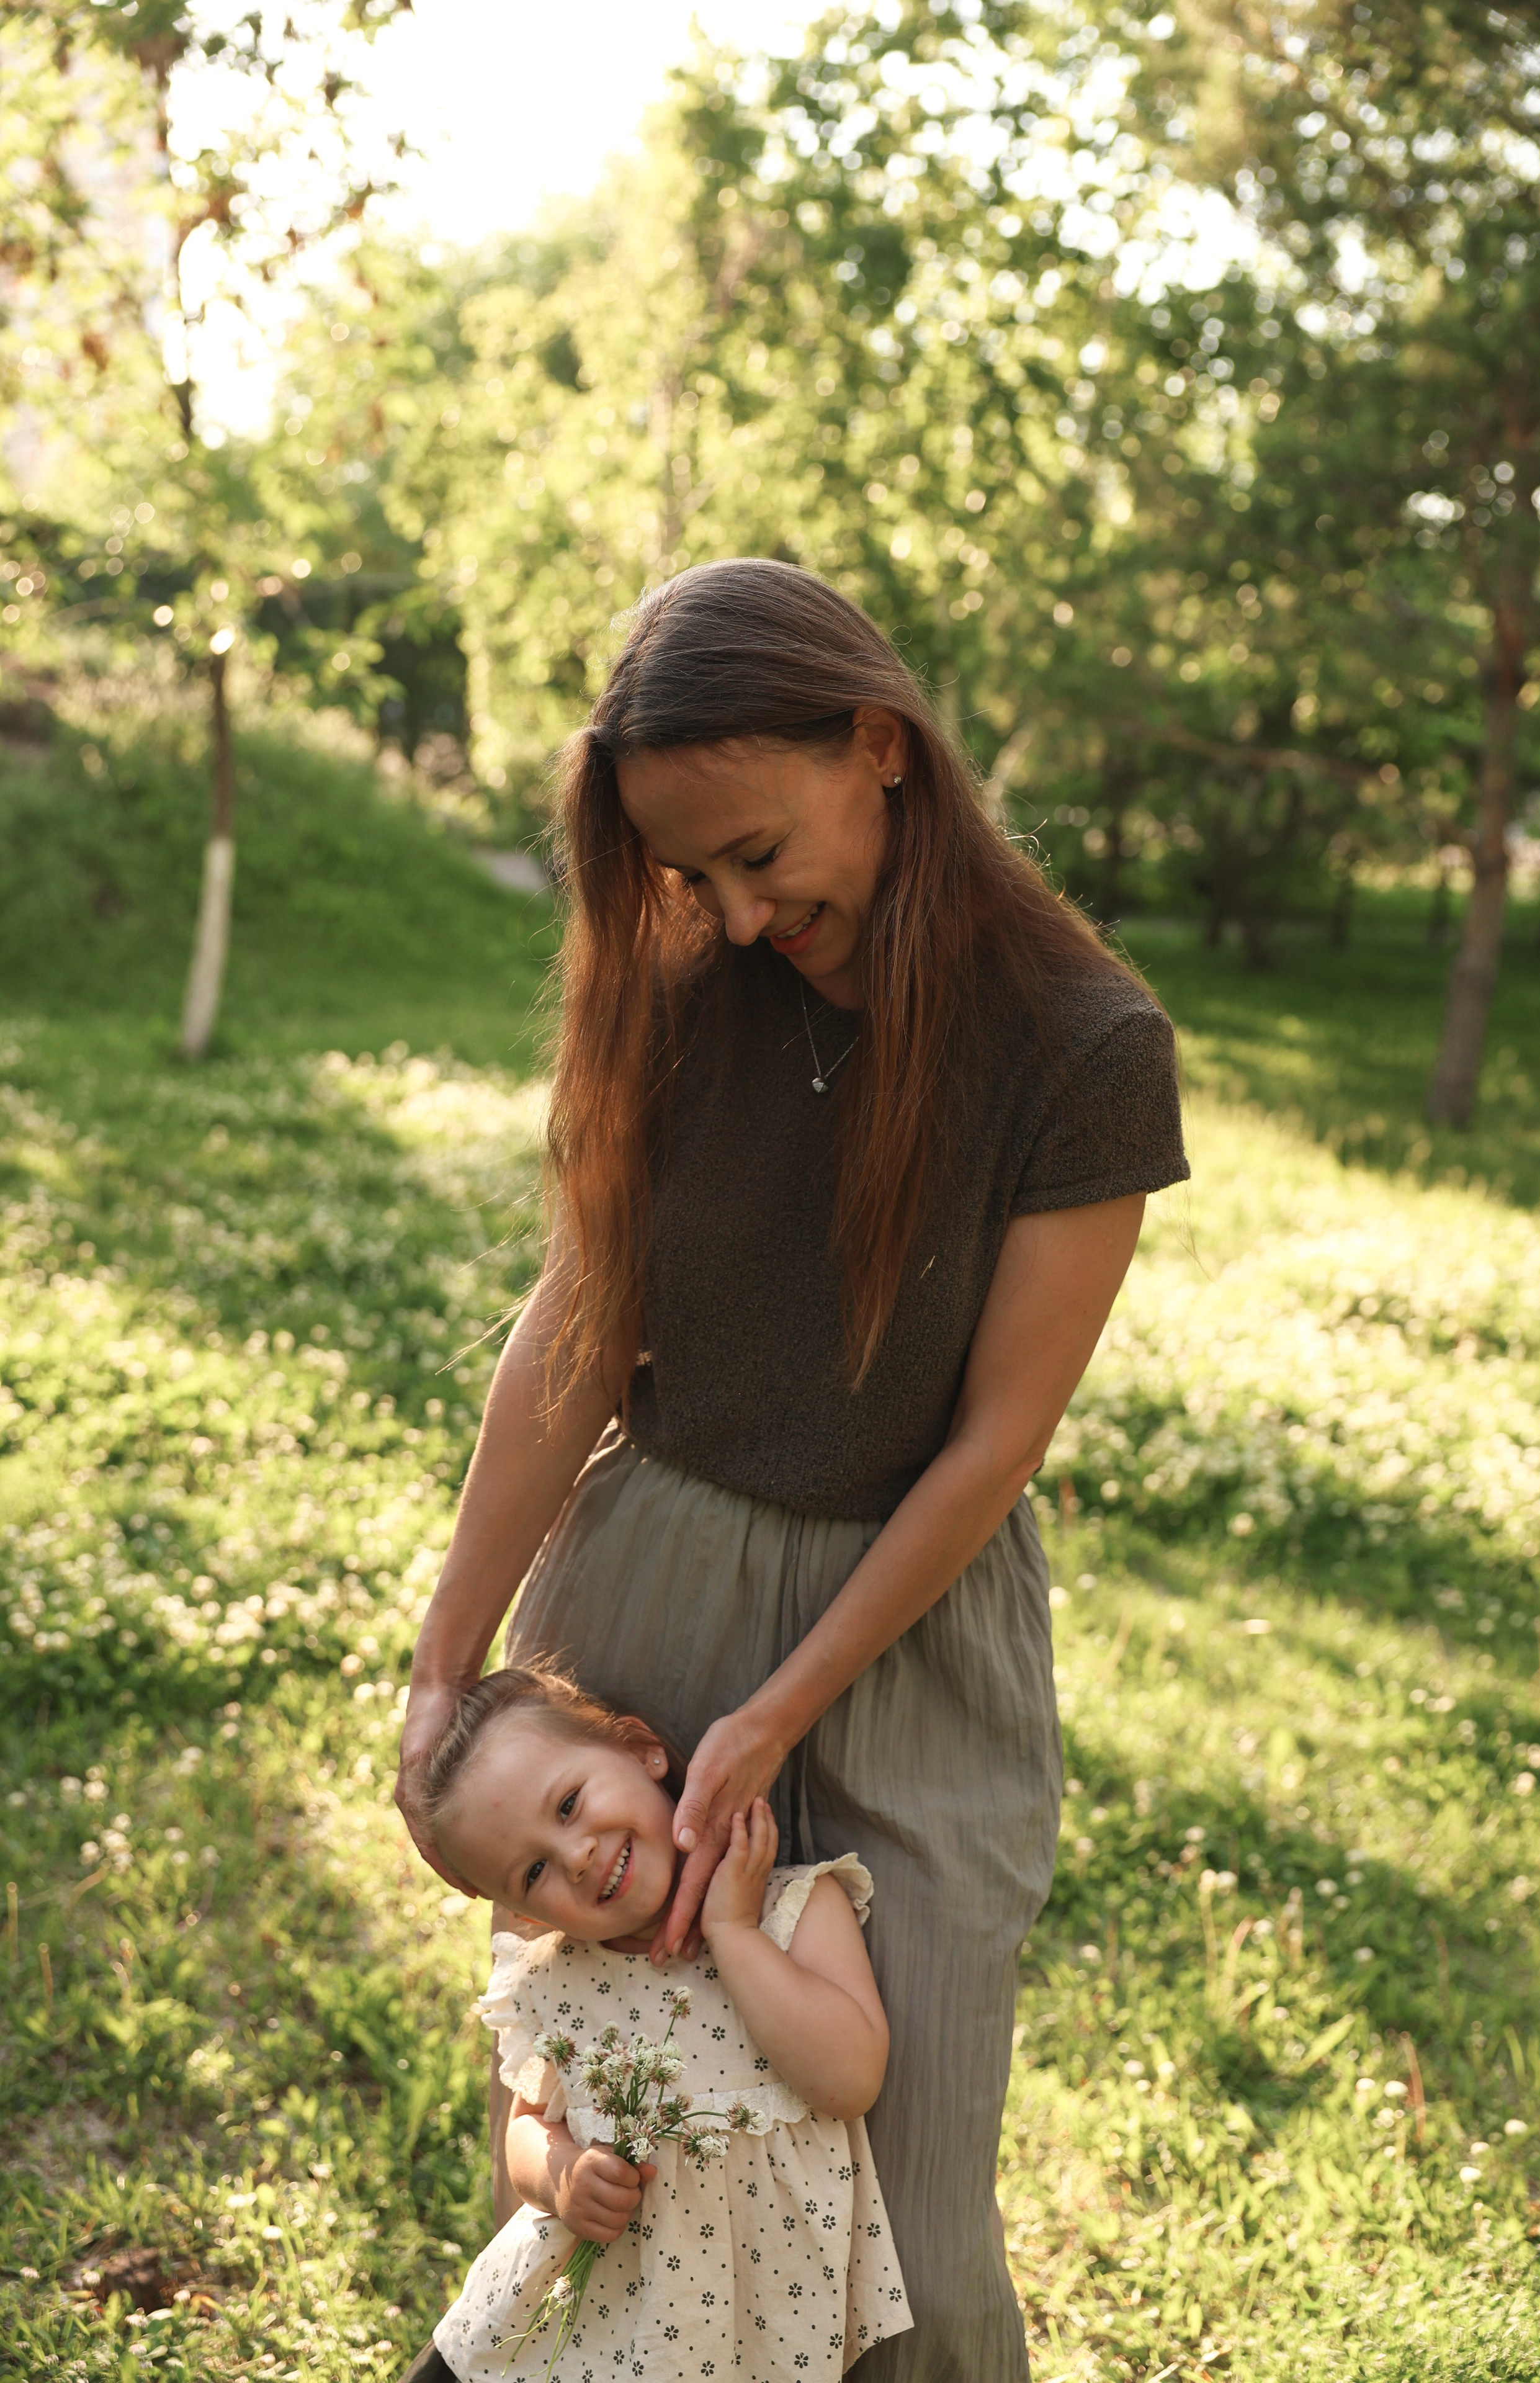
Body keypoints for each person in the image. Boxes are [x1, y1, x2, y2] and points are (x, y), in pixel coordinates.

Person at [395, 557, 1188, 2381]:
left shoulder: (1083, 1047)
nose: (740, 915)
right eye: (692, 876)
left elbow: (994, 1440)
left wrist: (779, 1712)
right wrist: (450, 1662)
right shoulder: (688, 987)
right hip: (652, 1589)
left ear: (878, 748)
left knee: (909, 2200)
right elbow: (578, 1328)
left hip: (910, 1631)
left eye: (759, 854)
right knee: (625, 2134)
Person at [403, 1659, 910, 2382]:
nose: (575, 1857)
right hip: (589, 2316)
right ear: (523, 1914)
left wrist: (732, 1933)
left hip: (754, 2320)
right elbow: (525, 2125)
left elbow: (850, 2079)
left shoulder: (790, 1912)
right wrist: (561, 2179)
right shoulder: (555, 1978)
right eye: (534, 1873)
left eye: (569, 1804)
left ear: (643, 1750)